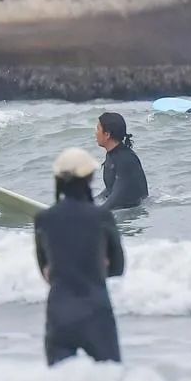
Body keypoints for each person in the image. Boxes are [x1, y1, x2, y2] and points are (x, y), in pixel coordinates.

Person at [33, 148, 125, 366]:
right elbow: (118, 267)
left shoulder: (44, 219)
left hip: (59, 315)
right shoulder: (101, 217)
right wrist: (96, 268)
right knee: (111, 378)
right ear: (90, 177)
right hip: (96, 312)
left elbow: (45, 272)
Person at [95, 112, 149, 210]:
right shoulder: (112, 155)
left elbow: (118, 194)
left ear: (107, 134)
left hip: (134, 212)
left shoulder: (125, 159)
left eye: (98, 129)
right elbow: (111, 189)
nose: (96, 133)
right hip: (122, 208)